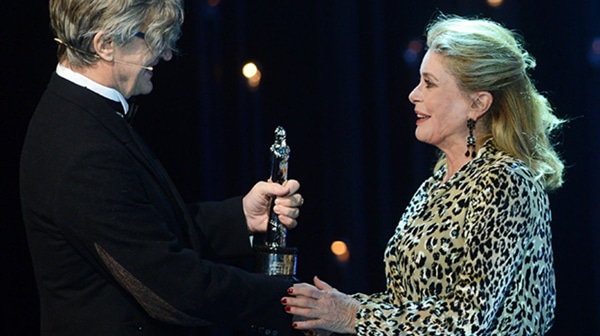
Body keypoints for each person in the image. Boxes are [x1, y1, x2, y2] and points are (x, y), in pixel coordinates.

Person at [20, 0, 304, 335]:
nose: (165, 55)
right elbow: (175, 290)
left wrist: (240, 217)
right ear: (105, 45)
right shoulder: (81, 147)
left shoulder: (81, 114)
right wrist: (295, 302)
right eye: (151, 39)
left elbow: (147, 229)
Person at [282, 14, 565, 335]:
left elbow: (465, 319)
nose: (413, 95)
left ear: (478, 103)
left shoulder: (507, 182)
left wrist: (353, 316)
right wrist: (336, 312)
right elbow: (411, 305)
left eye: (429, 83)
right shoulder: (437, 182)